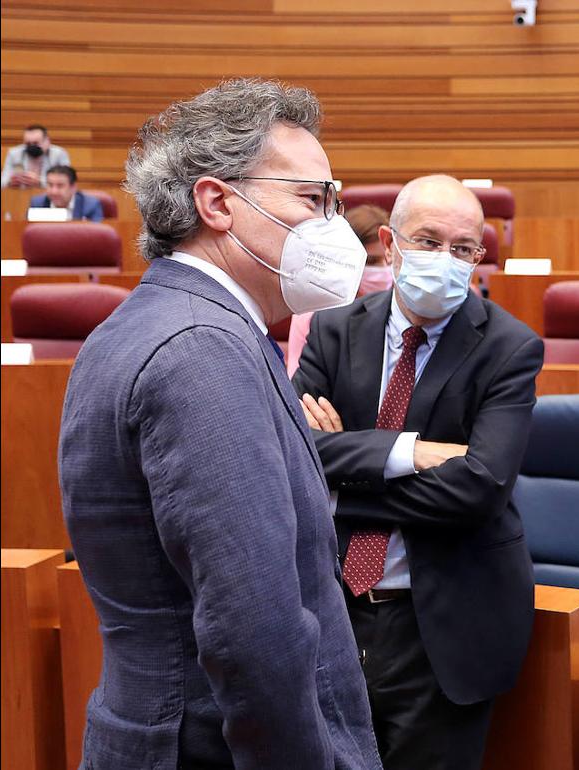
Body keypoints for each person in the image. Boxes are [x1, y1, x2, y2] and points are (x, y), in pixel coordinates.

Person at [57, 78, 382, 769]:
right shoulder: (199, 349)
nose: (334, 223)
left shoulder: (159, 322)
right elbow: (254, 631)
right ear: (217, 202)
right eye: (313, 198)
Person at [293, 174, 543, 770]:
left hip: (444, 627)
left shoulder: (510, 347)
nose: (446, 260)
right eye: (428, 241)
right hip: (334, 610)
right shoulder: (333, 330)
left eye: (463, 249)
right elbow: (293, 450)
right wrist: (410, 453)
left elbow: (479, 490)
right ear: (390, 241)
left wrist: (341, 484)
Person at [286, 203, 394, 376]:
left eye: (388, 261)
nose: (382, 270)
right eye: (371, 262)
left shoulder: (402, 309)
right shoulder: (312, 312)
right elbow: (299, 388)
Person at [2, 124, 71, 188]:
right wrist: (10, 182)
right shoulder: (14, 154)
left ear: (47, 141)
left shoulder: (59, 154)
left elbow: (66, 181)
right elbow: (3, 181)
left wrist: (40, 182)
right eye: (28, 144)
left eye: (36, 143)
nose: (32, 147)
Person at [28, 165, 104, 221]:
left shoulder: (90, 205)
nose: (54, 191)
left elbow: (96, 237)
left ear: (73, 187)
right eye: (50, 185)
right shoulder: (37, 204)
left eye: (60, 186)